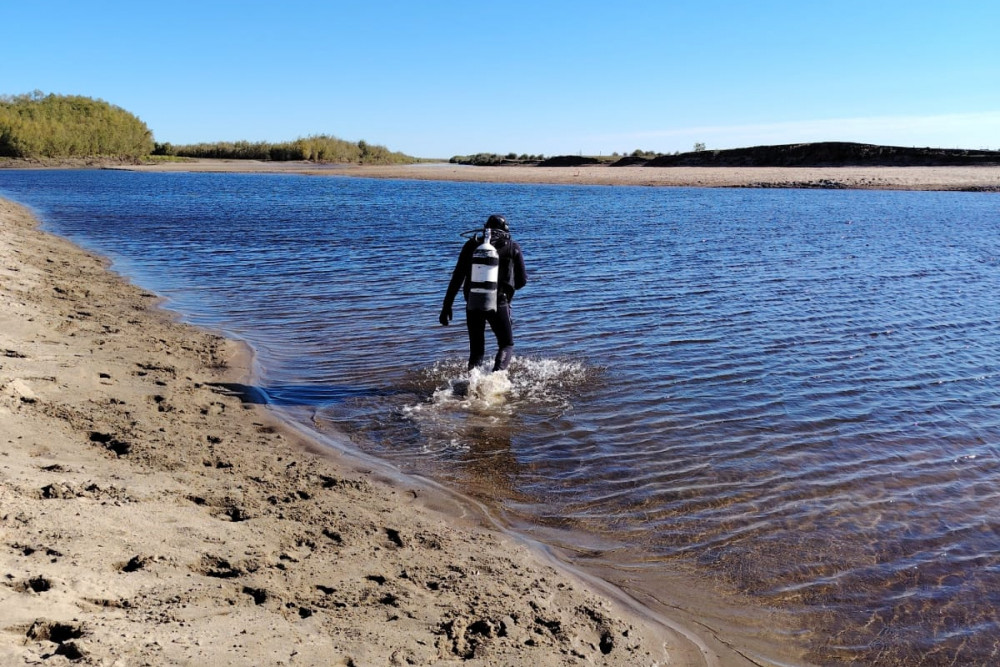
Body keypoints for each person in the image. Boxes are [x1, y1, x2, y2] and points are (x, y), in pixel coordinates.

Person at [439, 214, 527, 371]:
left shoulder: (471, 246)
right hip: (499, 302)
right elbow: (522, 281)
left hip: (473, 302)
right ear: (505, 230)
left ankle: (472, 384)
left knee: (476, 351)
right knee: (506, 344)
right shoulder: (512, 247)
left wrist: (447, 306)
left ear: (485, 227)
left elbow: (457, 278)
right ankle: (496, 378)